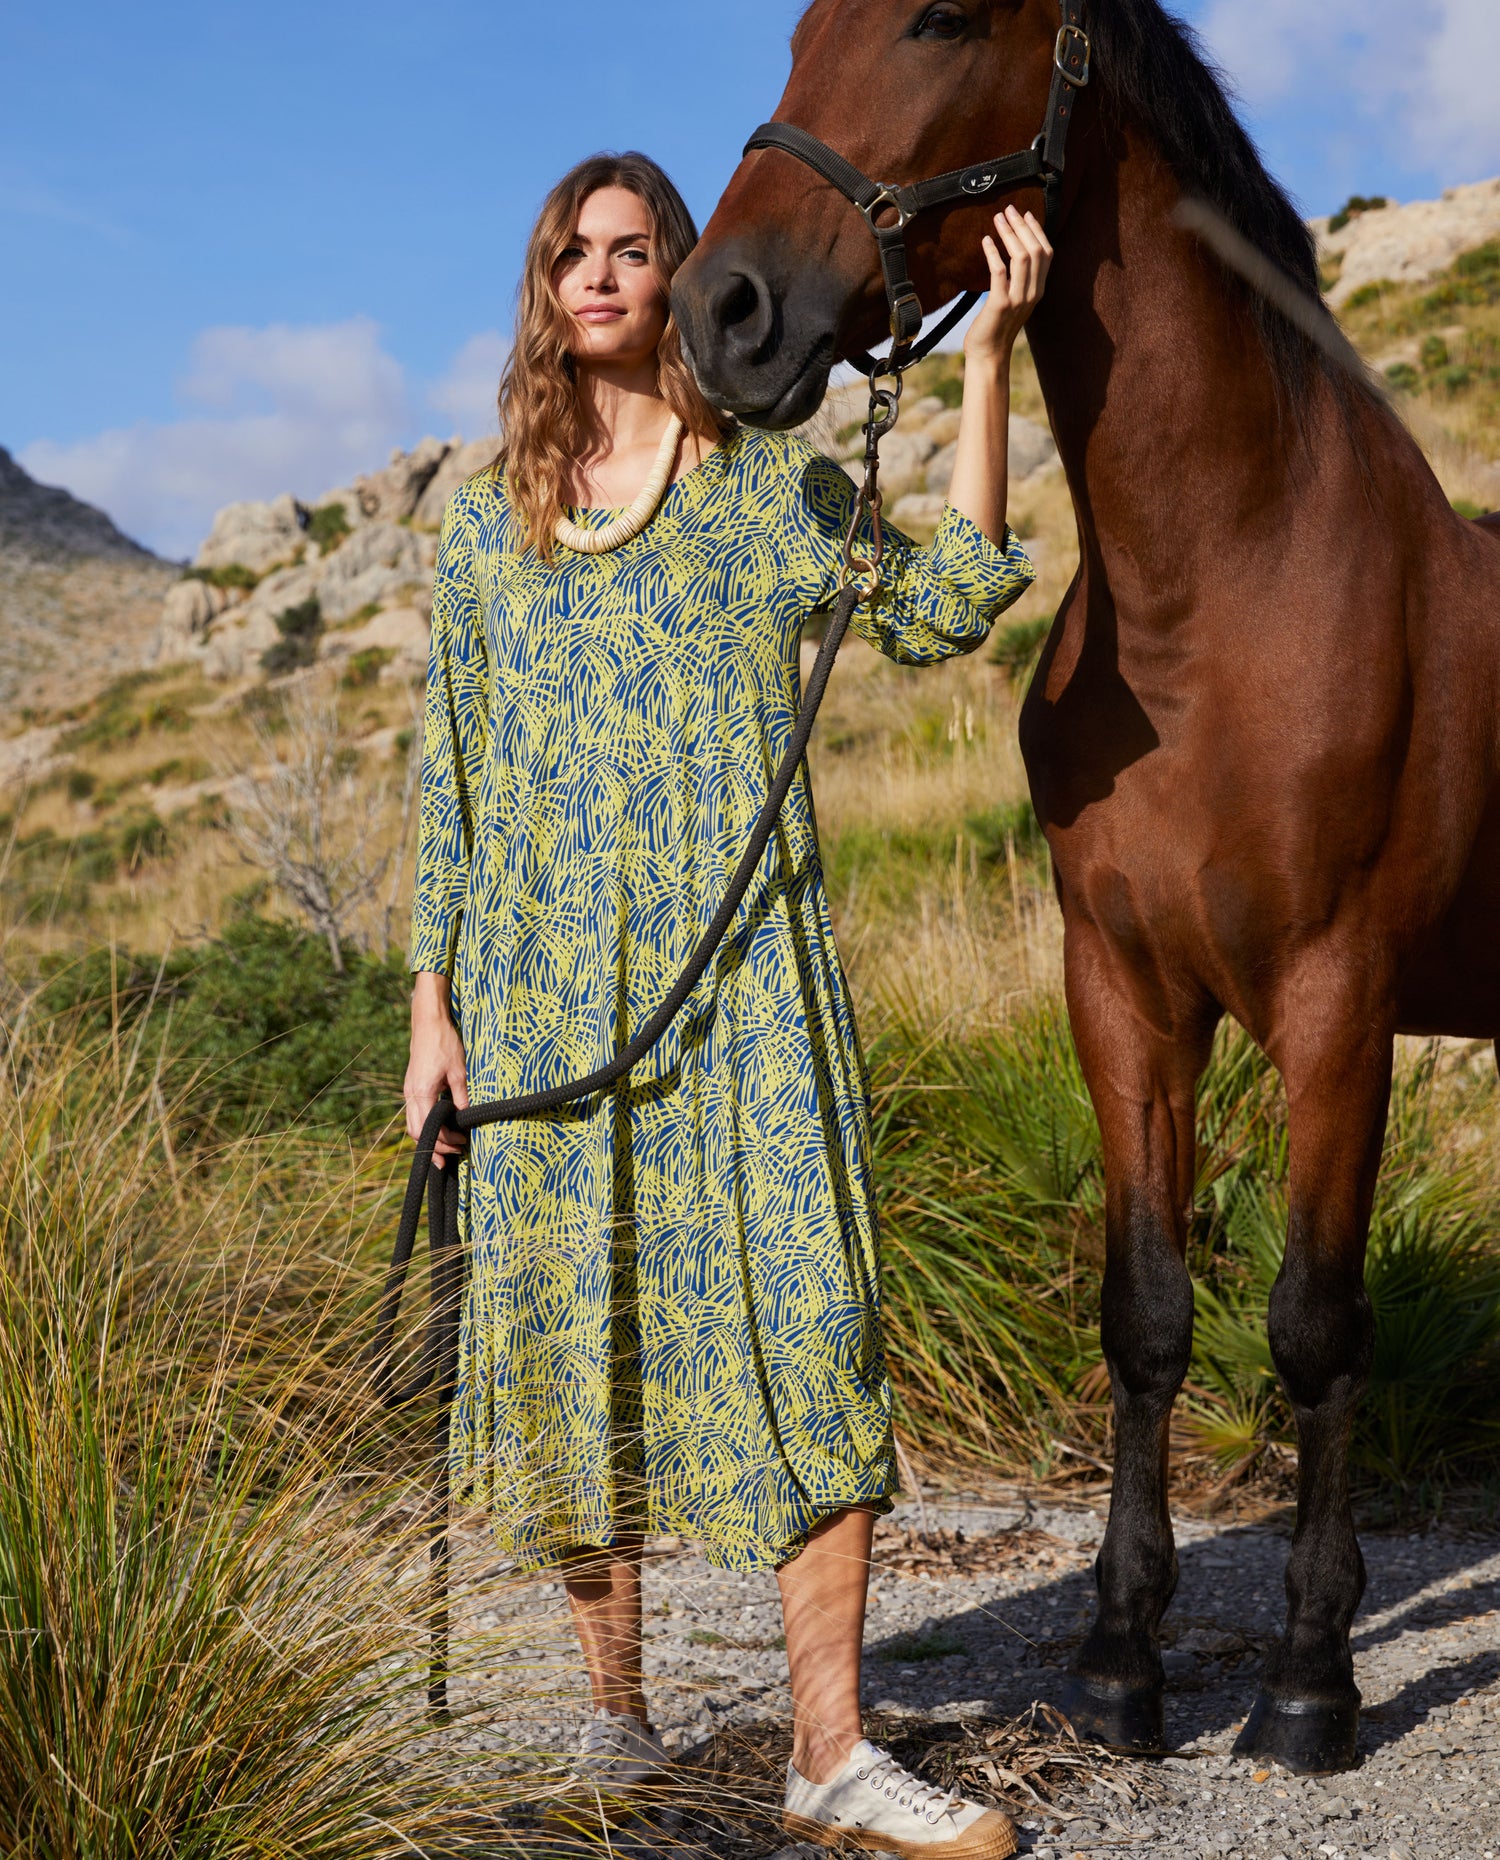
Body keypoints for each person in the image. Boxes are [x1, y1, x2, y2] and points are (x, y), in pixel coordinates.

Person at [405, 149, 1049, 1858]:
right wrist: (432, 1012)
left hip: (740, 996)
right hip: (540, 1009)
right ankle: (615, 1718)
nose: (601, 277)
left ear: (679, 276)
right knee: (569, 1357)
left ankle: (829, 1751)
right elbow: (446, 787)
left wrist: (985, 364)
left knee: (806, 1330)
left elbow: (948, 610)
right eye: (573, 254)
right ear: (545, 290)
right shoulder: (484, 525)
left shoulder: (763, 490)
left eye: (633, 250)